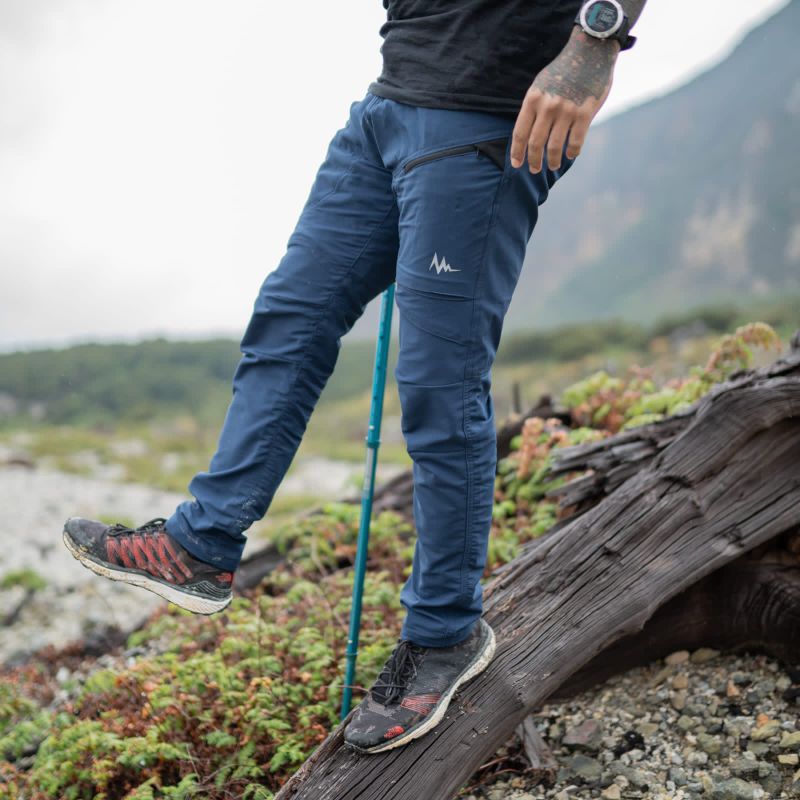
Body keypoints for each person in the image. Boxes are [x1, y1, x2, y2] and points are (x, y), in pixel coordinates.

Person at [63, 0, 646, 754]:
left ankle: (444, 631)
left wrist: (596, 39)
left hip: (484, 116)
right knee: (289, 320)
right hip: (386, 107)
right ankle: (200, 544)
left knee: (439, 385)